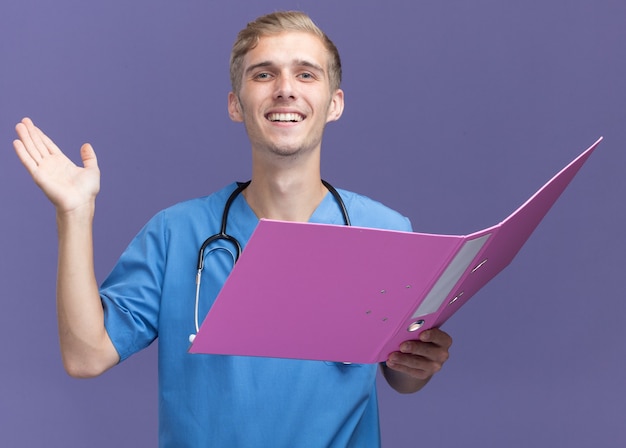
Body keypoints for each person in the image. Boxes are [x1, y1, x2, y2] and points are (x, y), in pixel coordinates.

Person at [13, 11, 452, 447]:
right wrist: (74, 214)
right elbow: (85, 356)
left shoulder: (385, 232)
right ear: (235, 104)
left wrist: (419, 364)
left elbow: (402, 378)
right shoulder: (177, 234)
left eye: (305, 74)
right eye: (264, 74)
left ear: (334, 103)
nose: (285, 90)